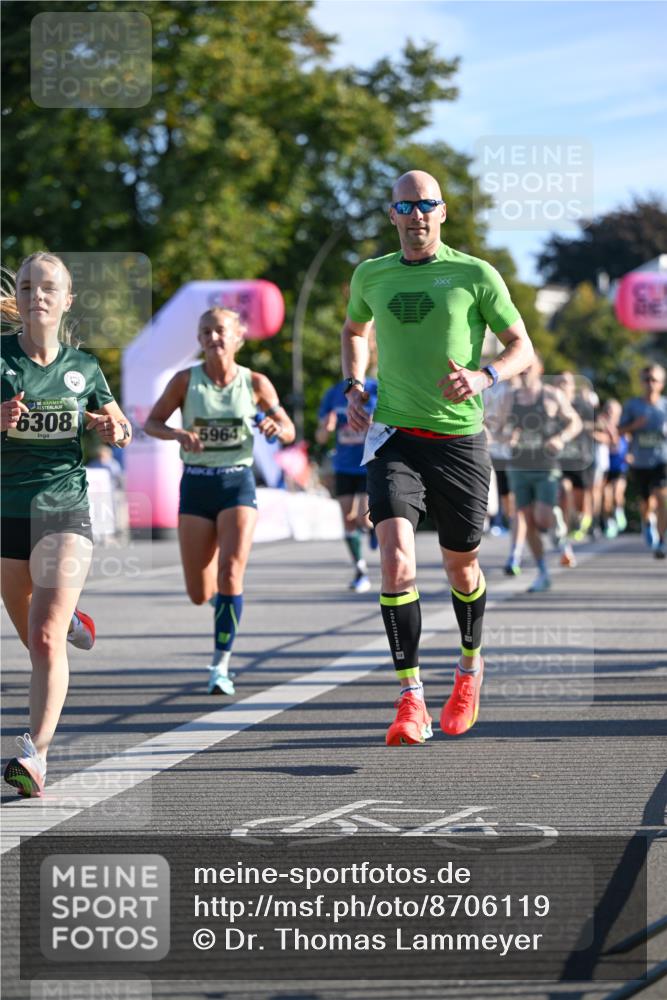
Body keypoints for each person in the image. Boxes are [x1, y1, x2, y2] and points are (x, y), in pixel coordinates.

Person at [341, 169, 534, 746]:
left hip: (459, 443)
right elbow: (355, 328)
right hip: (395, 435)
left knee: (461, 567)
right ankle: (410, 700)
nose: (417, 215)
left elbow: (523, 346)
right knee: (396, 558)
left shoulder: (475, 274)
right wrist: (355, 384)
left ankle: (469, 670)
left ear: (442, 212)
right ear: (393, 214)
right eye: (406, 206)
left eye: (427, 204)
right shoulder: (371, 274)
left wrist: (484, 375)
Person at [1, 252, 132, 797]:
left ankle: (36, 754)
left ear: (66, 300)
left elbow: (120, 426)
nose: (37, 295)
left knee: (45, 636)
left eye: (48, 287)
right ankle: (71, 613)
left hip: (63, 506)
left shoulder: (85, 367)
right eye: (28, 286)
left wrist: (113, 428)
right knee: (36, 639)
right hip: (6, 509)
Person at [144, 307, 295, 693]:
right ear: (199, 339)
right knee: (199, 592)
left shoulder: (256, 383)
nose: (214, 337)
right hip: (196, 484)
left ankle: (220, 666)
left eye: (221, 331)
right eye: (206, 331)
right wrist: (178, 435)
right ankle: (223, 606)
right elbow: (152, 423)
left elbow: (289, 430)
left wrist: (276, 426)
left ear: (239, 337)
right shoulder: (185, 380)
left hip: (237, 483)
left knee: (231, 571)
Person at [499, 357, 582, 592]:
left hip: (546, 466)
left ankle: (558, 529)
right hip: (518, 466)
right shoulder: (509, 397)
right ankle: (542, 571)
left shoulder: (551, 395)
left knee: (542, 519)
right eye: (521, 366)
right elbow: (496, 426)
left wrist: (561, 438)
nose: (524, 370)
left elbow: (574, 422)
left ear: (539, 368)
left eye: (529, 365)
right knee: (525, 518)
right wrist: (507, 435)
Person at [316, 371, 378, 593]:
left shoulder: (375, 388)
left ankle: (373, 529)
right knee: (347, 518)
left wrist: (373, 423)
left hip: (367, 462)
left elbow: (388, 424)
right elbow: (321, 438)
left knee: (365, 517)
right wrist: (327, 427)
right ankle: (360, 569)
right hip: (343, 466)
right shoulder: (333, 394)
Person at [619, 364, 667, 558]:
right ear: (641, 382)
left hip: (662, 459)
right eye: (646, 379)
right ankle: (647, 523)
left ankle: (662, 541)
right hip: (640, 461)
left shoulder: (665, 406)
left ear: (661, 384)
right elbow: (619, 431)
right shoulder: (632, 406)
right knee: (646, 502)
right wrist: (634, 425)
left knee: (662, 498)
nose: (650, 384)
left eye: (654, 380)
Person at [599, 399, 629, 536]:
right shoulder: (600, 425)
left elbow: (625, 441)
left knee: (618, 492)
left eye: (613, 409)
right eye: (608, 409)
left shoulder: (624, 426)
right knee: (606, 497)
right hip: (606, 466)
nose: (610, 412)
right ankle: (609, 521)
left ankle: (619, 511)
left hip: (620, 465)